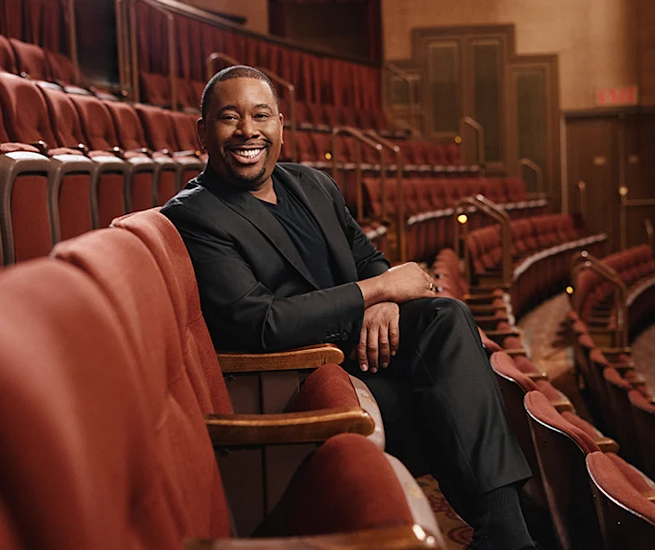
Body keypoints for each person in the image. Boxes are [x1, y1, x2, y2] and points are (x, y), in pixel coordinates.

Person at [161, 65, 536, 550]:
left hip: (368, 351)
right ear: (203, 133)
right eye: (229, 118)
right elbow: (262, 322)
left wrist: (383, 296)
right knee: (453, 404)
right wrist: (375, 292)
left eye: (261, 115)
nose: (248, 131)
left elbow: (369, 260)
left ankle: (504, 530)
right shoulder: (195, 214)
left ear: (281, 127)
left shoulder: (313, 185)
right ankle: (510, 524)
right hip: (297, 376)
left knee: (448, 317)